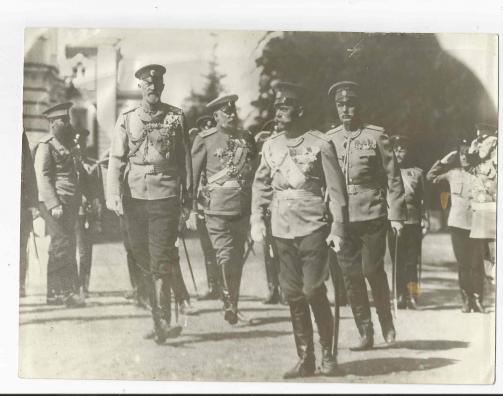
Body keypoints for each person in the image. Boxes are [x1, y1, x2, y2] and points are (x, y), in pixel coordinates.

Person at [251, 82, 348, 378]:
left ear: (300, 110)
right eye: (276, 107)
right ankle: (305, 358)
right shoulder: (271, 146)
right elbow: (260, 185)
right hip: (281, 227)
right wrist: (256, 219)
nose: (278, 112)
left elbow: (336, 190)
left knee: (312, 289)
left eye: (285, 106)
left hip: (314, 226)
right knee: (292, 293)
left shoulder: (320, 143)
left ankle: (328, 354)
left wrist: (339, 229)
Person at [106, 64, 194, 343]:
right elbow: (117, 159)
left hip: (166, 197)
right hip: (134, 198)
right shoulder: (127, 118)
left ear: (162, 87)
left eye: (156, 84)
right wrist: (113, 194)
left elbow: (185, 161)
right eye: (147, 84)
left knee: (160, 259)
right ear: (141, 88)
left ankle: (163, 322)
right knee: (141, 258)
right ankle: (157, 318)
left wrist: (187, 199)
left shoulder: (176, 117)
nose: (152, 88)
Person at [326, 81, 406, 351]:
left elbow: (394, 177)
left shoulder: (376, 135)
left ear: (358, 106)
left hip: (372, 213)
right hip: (341, 217)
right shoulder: (331, 138)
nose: (346, 109)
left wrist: (396, 214)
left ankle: (387, 323)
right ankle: (365, 331)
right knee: (350, 275)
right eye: (341, 105)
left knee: (372, 270)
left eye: (350, 104)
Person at [188, 94, 258, 325]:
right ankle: (230, 304)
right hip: (216, 209)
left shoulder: (246, 138)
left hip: (241, 208)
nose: (231, 115)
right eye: (225, 112)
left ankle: (232, 304)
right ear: (216, 116)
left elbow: (255, 173)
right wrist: (189, 209)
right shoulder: (204, 139)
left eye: (233, 111)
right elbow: (193, 177)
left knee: (236, 259)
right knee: (225, 257)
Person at [34, 102, 87, 307]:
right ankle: (61, 293)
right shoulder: (46, 145)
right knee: (62, 243)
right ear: (52, 123)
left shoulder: (68, 145)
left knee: (65, 244)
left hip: (69, 202)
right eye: (62, 121)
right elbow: (43, 176)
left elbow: (76, 175)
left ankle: (58, 292)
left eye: (67, 119)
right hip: (54, 203)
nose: (66, 123)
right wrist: (53, 204)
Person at [426, 139, 486, 312]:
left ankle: (478, 299)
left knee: (477, 263)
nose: (464, 157)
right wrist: (443, 161)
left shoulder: (481, 173)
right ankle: (466, 299)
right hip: (458, 223)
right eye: (461, 154)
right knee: (463, 264)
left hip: (476, 223)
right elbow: (430, 178)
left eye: (468, 153)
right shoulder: (452, 173)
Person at [388, 135, 425, 309]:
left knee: (412, 261)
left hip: (412, 222)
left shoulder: (417, 173)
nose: (399, 152)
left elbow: (422, 199)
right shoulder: (386, 172)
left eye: (402, 148)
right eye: (396, 149)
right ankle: (399, 295)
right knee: (398, 261)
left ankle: (413, 295)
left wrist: (425, 219)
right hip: (393, 222)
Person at [189, 115, 221, 301]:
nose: (207, 129)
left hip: (217, 206)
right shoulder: (197, 151)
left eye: (210, 126)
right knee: (207, 248)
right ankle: (213, 286)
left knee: (220, 248)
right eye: (204, 128)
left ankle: (225, 286)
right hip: (202, 207)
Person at [254, 120, 285, 305]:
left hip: (285, 206)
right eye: (272, 132)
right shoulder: (264, 152)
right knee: (269, 251)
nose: (275, 134)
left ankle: (286, 289)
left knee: (284, 250)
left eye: (277, 131)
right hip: (269, 207)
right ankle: (273, 288)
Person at [73, 128, 104, 297]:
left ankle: (84, 285)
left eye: (82, 143)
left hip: (89, 213)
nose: (79, 146)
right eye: (77, 143)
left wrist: (98, 218)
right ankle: (74, 286)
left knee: (86, 251)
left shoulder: (93, 164)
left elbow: (98, 192)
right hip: (74, 212)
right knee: (75, 249)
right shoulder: (69, 162)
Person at [20, 129, 39, 297]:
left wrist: (33, 203)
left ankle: (19, 285)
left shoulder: (19, 132)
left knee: (20, 244)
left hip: (20, 201)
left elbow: (28, 170)